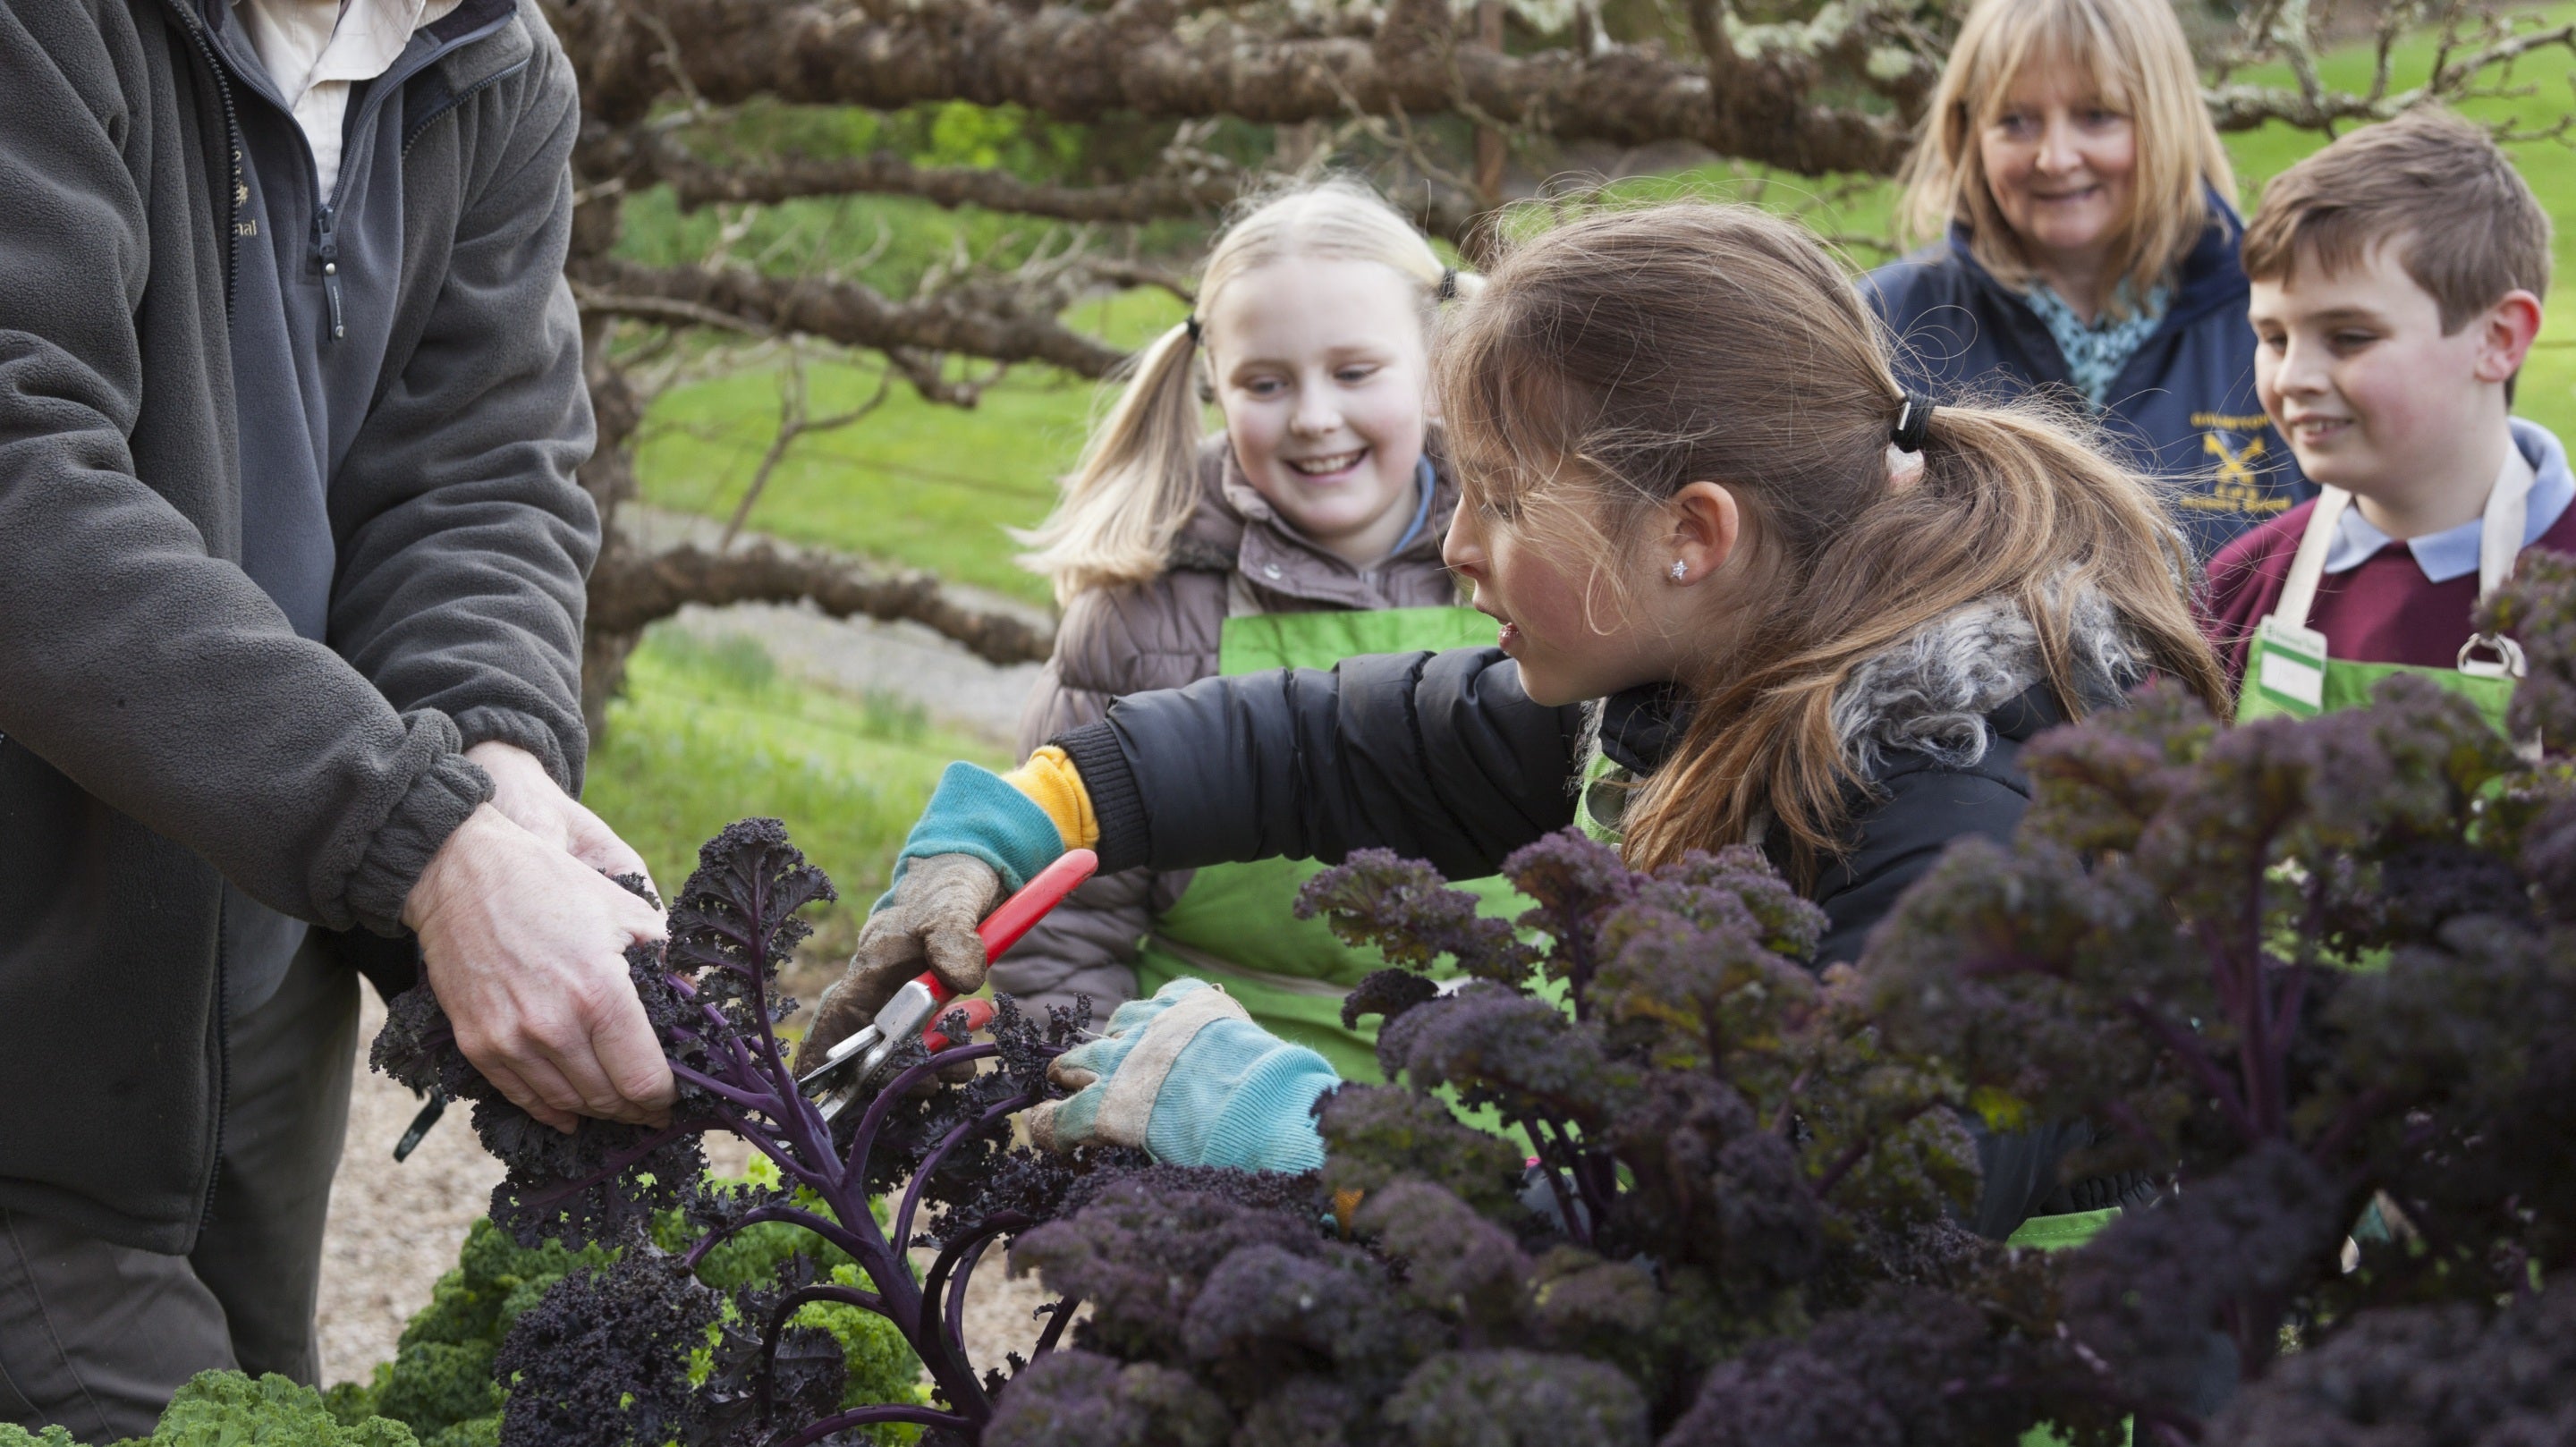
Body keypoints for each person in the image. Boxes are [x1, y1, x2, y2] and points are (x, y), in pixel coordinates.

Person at [808, 201, 2228, 1240]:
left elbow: (1808, 1237)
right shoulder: (1725, 661)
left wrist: (1316, 1136)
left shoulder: (1968, 815)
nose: (1461, 544)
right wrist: (1040, 806)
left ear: (1692, 533)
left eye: (1497, 493)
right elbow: (1342, 736)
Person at [1, 3, 672, 1436]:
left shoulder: (492, 63)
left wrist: (492, 763)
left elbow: (474, 475)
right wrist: (427, 844)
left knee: (263, 1390)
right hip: (25, 1019)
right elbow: (18, 486)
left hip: (253, 973)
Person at [987, 182, 1505, 1080]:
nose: (1312, 416)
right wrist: (1105, 1108)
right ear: (1214, 385)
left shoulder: (1533, 558)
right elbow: (1063, 922)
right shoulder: (1145, 609)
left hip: (1515, 1099)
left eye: (1354, 372)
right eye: (1265, 384)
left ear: (1435, 362)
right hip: (1220, 1092)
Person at [1868, 0, 2310, 559]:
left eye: (2096, 115)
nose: (2054, 157)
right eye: (2015, 121)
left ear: (2164, 119)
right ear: (1970, 132)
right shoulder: (1885, 325)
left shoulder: (2277, 321)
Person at [2205, 108, 2561, 729]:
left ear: (2498, 338)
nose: (2293, 378)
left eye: (2348, 336)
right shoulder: (2242, 585)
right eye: (2275, 337)